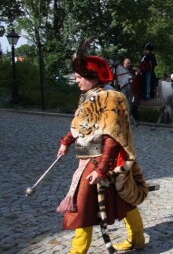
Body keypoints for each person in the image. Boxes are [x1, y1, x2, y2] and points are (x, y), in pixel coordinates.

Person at [57, 46, 147, 253]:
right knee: (122, 200)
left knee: (82, 205)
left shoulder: (110, 98)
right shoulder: (89, 96)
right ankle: (138, 239)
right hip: (90, 158)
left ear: (93, 76)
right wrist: (66, 142)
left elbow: (112, 137)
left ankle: (77, 252)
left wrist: (101, 169)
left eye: (80, 77)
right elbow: (81, 125)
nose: (76, 80)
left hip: (107, 159)